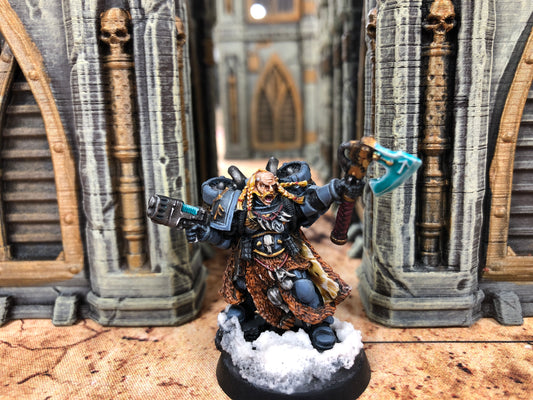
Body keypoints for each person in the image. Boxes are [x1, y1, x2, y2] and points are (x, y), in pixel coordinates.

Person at [186, 158, 363, 351]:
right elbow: (226, 241)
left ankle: (318, 323)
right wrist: (206, 234)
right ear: (254, 187)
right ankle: (245, 309)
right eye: (264, 186)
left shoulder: (287, 204)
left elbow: (311, 202)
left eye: (272, 185)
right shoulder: (242, 212)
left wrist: (335, 189)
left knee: (304, 288)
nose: (269, 191)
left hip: (286, 261)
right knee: (243, 286)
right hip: (253, 263)